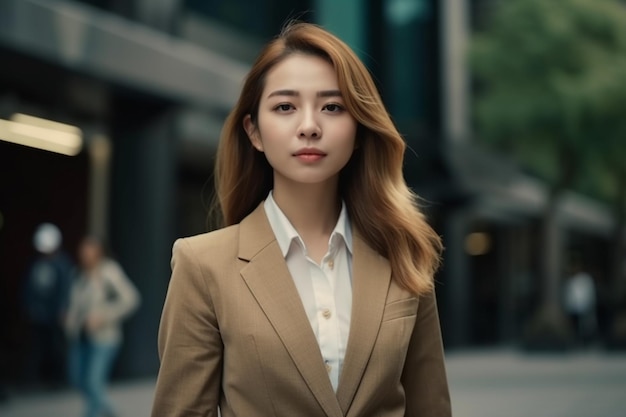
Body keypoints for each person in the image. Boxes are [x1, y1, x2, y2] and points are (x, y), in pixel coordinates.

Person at [151, 21, 451, 417]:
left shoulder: (404, 252)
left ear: (359, 129)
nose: (309, 126)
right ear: (254, 131)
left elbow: (431, 408)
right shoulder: (203, 265)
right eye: (285, 107)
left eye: (332, 107)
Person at [64, 236, 140, 417]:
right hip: (81, 336)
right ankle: (104, 411)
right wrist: (70, 320)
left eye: (90, 252)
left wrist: (104, 316)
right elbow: (75, 304)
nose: (86, 256)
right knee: (78, 379)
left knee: (93, 382)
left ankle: (101, 412)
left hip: (105, 337)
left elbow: (131, 299)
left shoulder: (109, 272)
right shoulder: (78, 274)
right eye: (83, 252)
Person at [21, 222, 73, 388]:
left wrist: (63, 309)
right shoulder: (35, 264)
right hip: (38, 315)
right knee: (37, 348)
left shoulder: (63, 264)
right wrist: (29, 306)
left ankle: (57, 380)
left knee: (56, 348)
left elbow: (65, 289)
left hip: (54, 315)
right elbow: (28, 287)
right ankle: (36, 379)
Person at [563, 260, 597, 347]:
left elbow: (589, 293)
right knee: (574, 326)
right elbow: (569, 294)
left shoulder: (585, 279)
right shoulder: (571, 280)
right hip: (573, 307)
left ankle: (585, 342)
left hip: (584, 306)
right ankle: (576, 341)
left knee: (585, 326)